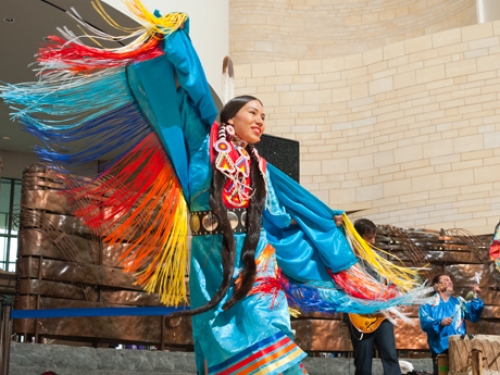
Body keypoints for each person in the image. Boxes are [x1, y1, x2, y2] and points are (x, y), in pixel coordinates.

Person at [0, 1, 428, 374]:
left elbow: (280, 215)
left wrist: (326, 225)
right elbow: (191, 82)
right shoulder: (204, 143)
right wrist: (177, 38)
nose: (261, 121)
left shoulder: (260, 166)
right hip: (209, 258)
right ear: (231, 118)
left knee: (269, 321)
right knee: (217, 337)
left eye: (264, 117)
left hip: (256, 254)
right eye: (254, 113)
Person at [346, 218, 402, 375]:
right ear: (358, 237)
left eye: (374, 237)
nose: (373, 241)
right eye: (369, 237)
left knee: (390, 355)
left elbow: (390, 282)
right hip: (360, 314)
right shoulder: (347, 259)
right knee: (363, 360)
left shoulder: (378, 258)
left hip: (382, 314)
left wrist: (396, 298)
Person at [419, 273, 484, 375]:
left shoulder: (459, 302)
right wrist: (440, 322)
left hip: (459, 347)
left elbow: (473, 315)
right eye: (446, 280)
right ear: (437, 285)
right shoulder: (428, 304)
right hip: (440, 349)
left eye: (450, 280)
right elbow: (425, 324)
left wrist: (476, 297)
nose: (450, 282)